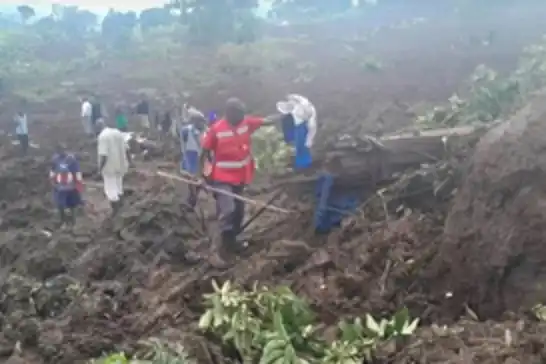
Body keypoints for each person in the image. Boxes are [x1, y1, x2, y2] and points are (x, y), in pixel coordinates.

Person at [199, 98, 277, 267]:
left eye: (243, 114)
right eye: (239, 114)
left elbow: (267, 120)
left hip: (240, 177)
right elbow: (204, 153)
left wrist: (287, 115)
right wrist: (204, 176)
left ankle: (231, 241)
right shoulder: (216, 129)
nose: (243, 116)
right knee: (228, 210)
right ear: (229, 113)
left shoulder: (246, 122)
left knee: (239, 212)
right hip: (221, 178)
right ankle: (214, 251)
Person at [96, 119, 131, 215]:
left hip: (109, 168)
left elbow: (103, 155)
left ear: (98, 127)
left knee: (111, 191)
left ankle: (116, 213)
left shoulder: (102, 136)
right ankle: (123, 209)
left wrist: (99, 170)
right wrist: (130, 162)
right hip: (121, 164)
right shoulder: (118, 133)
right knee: (119, 188)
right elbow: (127, 149)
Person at [276, 93, 317, 170]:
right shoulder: (297, 102)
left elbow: (312, 127)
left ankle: (305, 165)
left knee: (303, 145)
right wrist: (293, 96)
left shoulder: (305, 112)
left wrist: (310, 138)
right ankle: (300, 164)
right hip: (298, 125)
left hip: (303, 126)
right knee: (299, 145)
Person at [50, 144, 83, 228]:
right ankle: (63, 222)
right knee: (61, 205)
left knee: (73, 205)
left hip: (71, 187)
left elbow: (77, 172)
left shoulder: (71, 160)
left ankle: (73, 222)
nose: (62, 151)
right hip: (60, 187)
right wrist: (53, 183)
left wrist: (78, 184)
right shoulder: (55, 160)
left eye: (63, 149)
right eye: (59, 150)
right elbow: (52, 172)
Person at [180, 105, 207, 207]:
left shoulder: (206, 131)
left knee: (199, 179)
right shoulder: (186, 130)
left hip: (201, 158)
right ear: (194, 121)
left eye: (202, 121)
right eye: (198, 121)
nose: (201, 123)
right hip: (191, 157)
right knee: (191, 179)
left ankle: (193, 199)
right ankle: (192, 199)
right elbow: (183, 144)